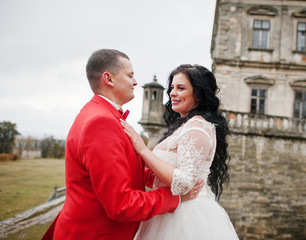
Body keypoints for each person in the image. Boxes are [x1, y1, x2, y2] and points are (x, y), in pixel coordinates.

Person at [42, 49, 203, 240]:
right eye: (130, 75)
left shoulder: (99, 114)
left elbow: (118, 170)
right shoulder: (101, 122)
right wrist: (173, 197)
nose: (135, 82)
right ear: (108, 79)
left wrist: (158, 176)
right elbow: (121, 205)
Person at [121, 64, 239, 239]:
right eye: (172, 88)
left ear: (198, 94)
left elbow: (184, 183)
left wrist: (143, 151)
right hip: (168, 212)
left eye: (181, 88)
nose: (172, 93)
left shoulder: (197, 129)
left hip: (186, 216)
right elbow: (165, 173)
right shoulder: (186, 126)